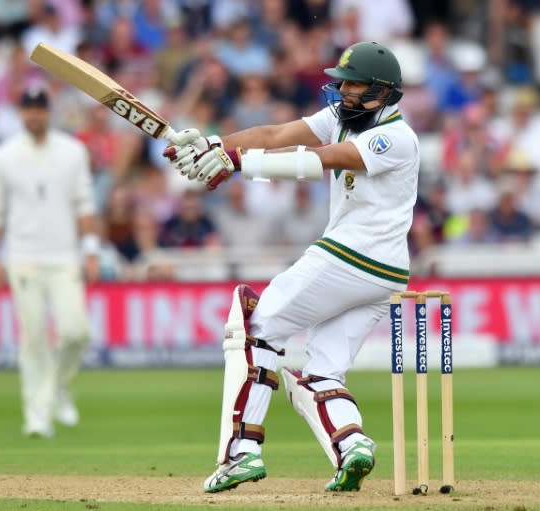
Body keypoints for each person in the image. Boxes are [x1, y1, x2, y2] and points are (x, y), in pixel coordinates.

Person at [164, 41, 420, 493]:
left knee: (254, 325)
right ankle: (352, 445)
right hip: (384, 275)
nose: (343, 92)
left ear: (383, 91)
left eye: (355, 84)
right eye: (341, 82)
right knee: (320, 372)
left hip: (354, 256)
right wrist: (215, 143)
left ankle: (239, 452)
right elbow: (274, 135)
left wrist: (240, 164)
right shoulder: (342, 118)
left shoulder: (395, 136)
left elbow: (326, 159)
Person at [0, 88, 99, 438]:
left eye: (39, 110)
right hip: (22, 258)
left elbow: (85, 205)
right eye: (28, 110)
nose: (34, 116)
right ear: (21, 113)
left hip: (64, 256)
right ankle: (36, 416)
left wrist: (91, 251)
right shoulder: (3, 156)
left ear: (49, 113)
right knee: (33, 338)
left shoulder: (72, 151)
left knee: (76, 333)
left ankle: (61, 385)